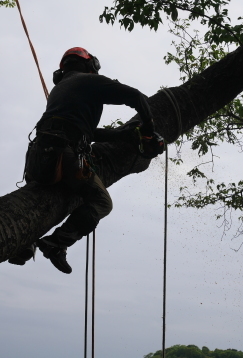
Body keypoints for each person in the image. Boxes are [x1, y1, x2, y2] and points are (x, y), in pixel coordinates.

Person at [9, 47, 155, 274]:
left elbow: (85, 131)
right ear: (90, 66)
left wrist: (120, 134)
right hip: (67, 156)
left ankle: (25, 243)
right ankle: (56, 243)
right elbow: (137, 97)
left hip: (38, 158)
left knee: (38, 197)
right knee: (102, 203)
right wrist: (149, 130)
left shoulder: (61, 88)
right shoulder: (89, 81)